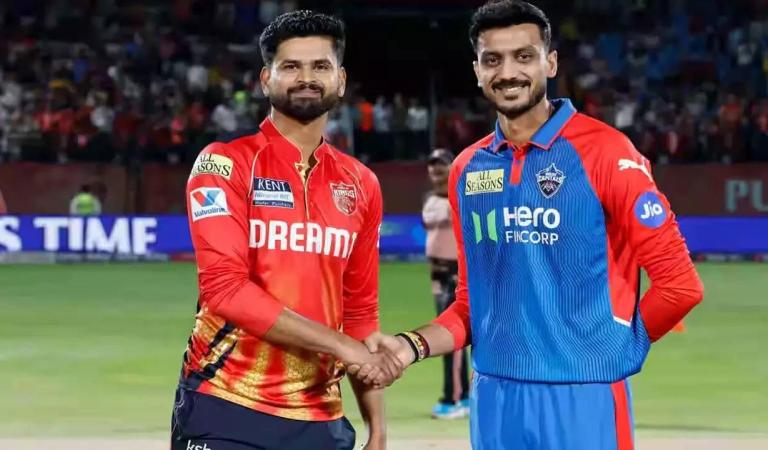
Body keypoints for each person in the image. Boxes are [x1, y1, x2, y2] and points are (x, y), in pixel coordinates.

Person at [359, 2, 704, 449]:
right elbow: (471, 305)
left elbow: (680, 286)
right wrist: (410, 346)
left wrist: (616, 351)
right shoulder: (467, 169)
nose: (508, 73)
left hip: (583, 400)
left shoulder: (606, 152)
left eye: (524, 56)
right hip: (494, 399)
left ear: (550, 62)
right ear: (477, 71)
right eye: (493, 60)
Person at [171, 11, 401, 450]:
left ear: (340, 80)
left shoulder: (361, 183)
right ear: (266, 79)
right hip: (226, 404)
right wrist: (343, 346)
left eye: (320, 66)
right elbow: (225, 289)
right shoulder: (224, 164)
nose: (306, 78)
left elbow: (359, 315)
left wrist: (378, 430)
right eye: (291, 66)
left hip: (321, 418)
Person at [421, 148, 470, 419]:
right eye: (433, 164)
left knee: (451, 338)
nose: (436, 169)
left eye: (442, 164)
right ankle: (461, 396)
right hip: (437, 277)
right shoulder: (429, 199)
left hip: (455, 275)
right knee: (447, 336)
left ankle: (456, 399)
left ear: (452, 167)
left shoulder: (460, 198)